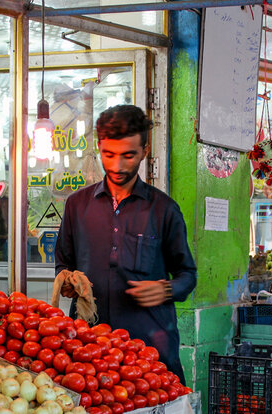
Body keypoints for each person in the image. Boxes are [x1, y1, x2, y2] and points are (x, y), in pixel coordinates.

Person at [55, 104, 197, 383]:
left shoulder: (164, 210)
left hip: (149, 352)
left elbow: (188, 275)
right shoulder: (76, 205)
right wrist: (68, 283)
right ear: (98, 147)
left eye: (128, 155)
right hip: (88, 350)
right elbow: (63, 262)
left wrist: (165, 288)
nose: (117, 166)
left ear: (144, 151)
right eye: (108, 155)